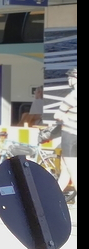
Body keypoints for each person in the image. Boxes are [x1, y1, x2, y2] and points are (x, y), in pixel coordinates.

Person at [54, 68, 76, 204]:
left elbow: (58, 115)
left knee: (73, 170)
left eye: (70, 77)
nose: (68, 80)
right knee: (65, 170)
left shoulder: (72, 96)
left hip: (70, 137)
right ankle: (52, 197)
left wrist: (65, 118)